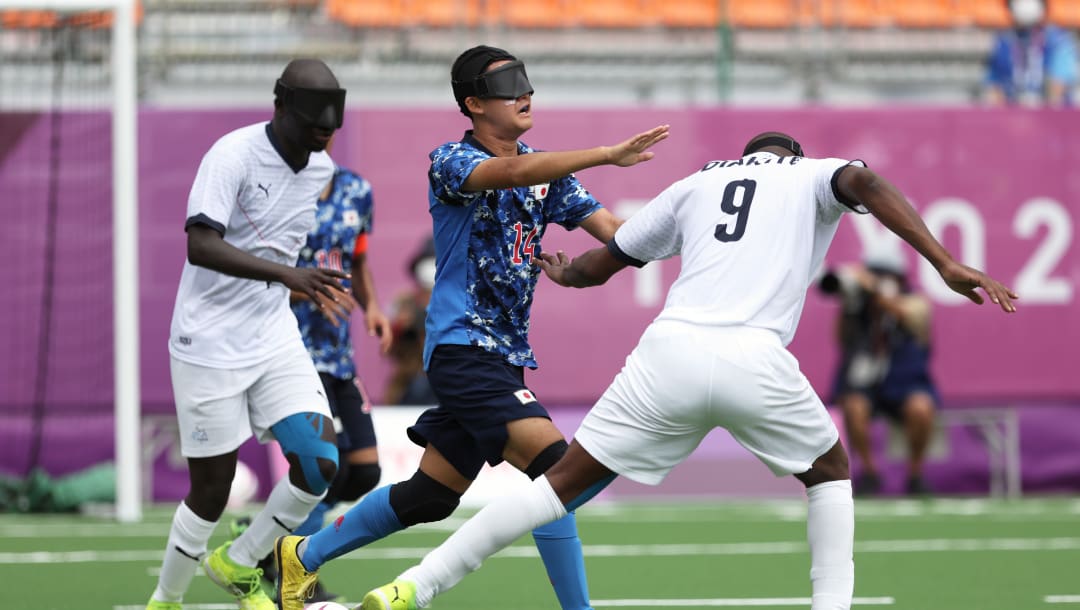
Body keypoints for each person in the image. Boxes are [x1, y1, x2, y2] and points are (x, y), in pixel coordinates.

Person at [357, 132, 1019, 610]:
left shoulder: (697, 182)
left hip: (667, 353)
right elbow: (866, 183)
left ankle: (420, 583)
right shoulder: (810, 173)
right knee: (829, 474)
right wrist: (943, 262)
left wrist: (564, 273)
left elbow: (603, 261)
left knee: (557, 486)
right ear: (786, 158)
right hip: (753, 356)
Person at [272, 44, 669, 610]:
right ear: (474, 103)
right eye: (510, 85)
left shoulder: (546, 174)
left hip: (502, 357)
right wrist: (604, 153)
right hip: (463, 348)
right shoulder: (450, 162)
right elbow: (509, 170)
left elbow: (615, 231)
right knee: (558, 473)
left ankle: (299, 557)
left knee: (430, 495)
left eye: (527, 81)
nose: (525, 93)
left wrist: (683, 229)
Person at [145, 59, 351, 610]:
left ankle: (237, 563)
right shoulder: (231, 155)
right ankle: (165, 598)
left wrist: (312, 279)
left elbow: (288, 242)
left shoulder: (321, 170)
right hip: (207, 341)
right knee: (212, 492)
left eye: (330, 124)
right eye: (312, 121)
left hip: (273, 332)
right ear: (280, 104)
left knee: (319, 465)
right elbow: (200, 244)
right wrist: (289, 275)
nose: (322, 133)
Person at [230, 136, 394, 602]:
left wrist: (373, 309)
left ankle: (265, 538)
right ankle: (296, 568)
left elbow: (356, 261)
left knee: (363, 471)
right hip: (290, 353)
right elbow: (252, 274)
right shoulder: (274, 194)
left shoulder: (357, 190)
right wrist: (309, 292)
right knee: (321, 466)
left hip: (339, 355)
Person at [819, 245, 938, 496]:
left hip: (905, 381)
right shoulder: (859, 307)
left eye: (884, 275)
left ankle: (915, 475)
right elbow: (841, 340)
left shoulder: (915, 301)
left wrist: (878, 294)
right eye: (873, 273)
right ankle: (870, 473)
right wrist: (850, 307)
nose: (878, 279)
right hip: (865, 385)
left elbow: (913, 318)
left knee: (921, 408)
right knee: (853, 406)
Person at [985, 0, 1078, 107]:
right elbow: (995, 85)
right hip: (1013, 113)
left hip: (1051, 115)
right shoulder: (1003, 41)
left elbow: (1058, 87)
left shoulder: (1057, 39)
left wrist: (1042, 112)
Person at [383, 236, 438, 406]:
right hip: (411, 377)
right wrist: (399, 328)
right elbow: (388, 349)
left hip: (449, 376)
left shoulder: (457, 304)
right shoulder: (404, 302)